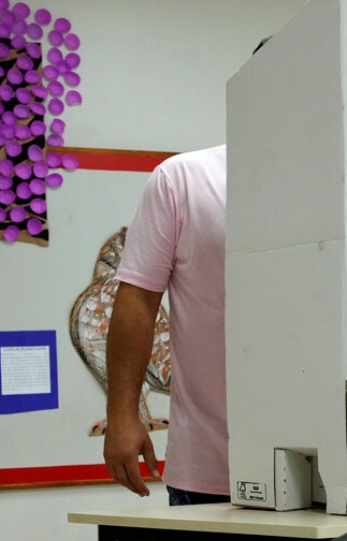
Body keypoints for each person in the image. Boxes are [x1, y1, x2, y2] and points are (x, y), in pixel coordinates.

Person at [104, 144, 228, 505]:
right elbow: (138, 299)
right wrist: (122, 414)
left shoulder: (344, 174)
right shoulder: (182, 178)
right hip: (208, 466)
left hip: (334, 455)